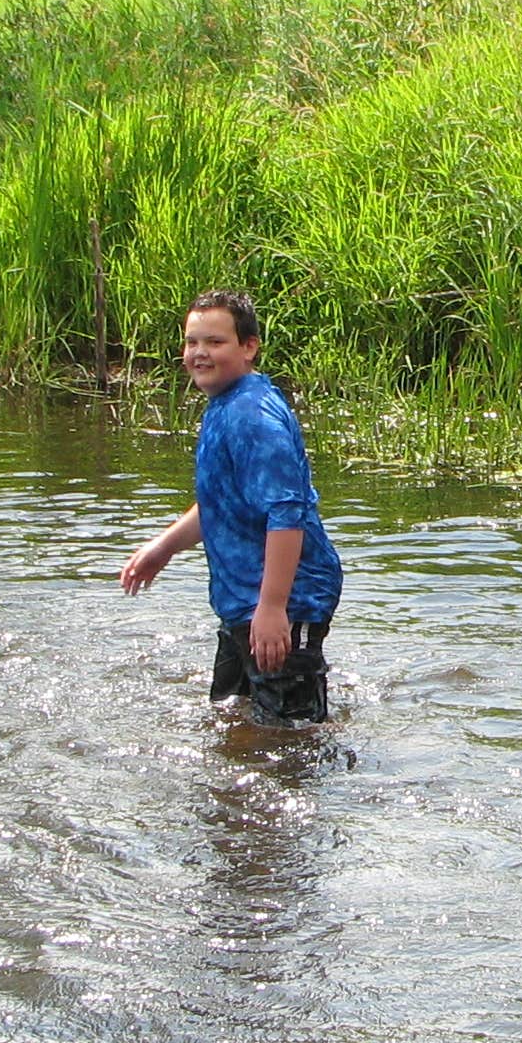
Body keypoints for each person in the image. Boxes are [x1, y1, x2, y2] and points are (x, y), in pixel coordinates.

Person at [119, 290, 345, 722]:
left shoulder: (253, 417)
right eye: (192, 342)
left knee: (293, 737)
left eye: (215, 342)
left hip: (287, 597)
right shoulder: (225, 405)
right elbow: (222, 502)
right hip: (245, 598)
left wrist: (274, 607)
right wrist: (163, 547)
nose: (200, 353)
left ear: (249, 346)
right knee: (230, 714)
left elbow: (287, 512)